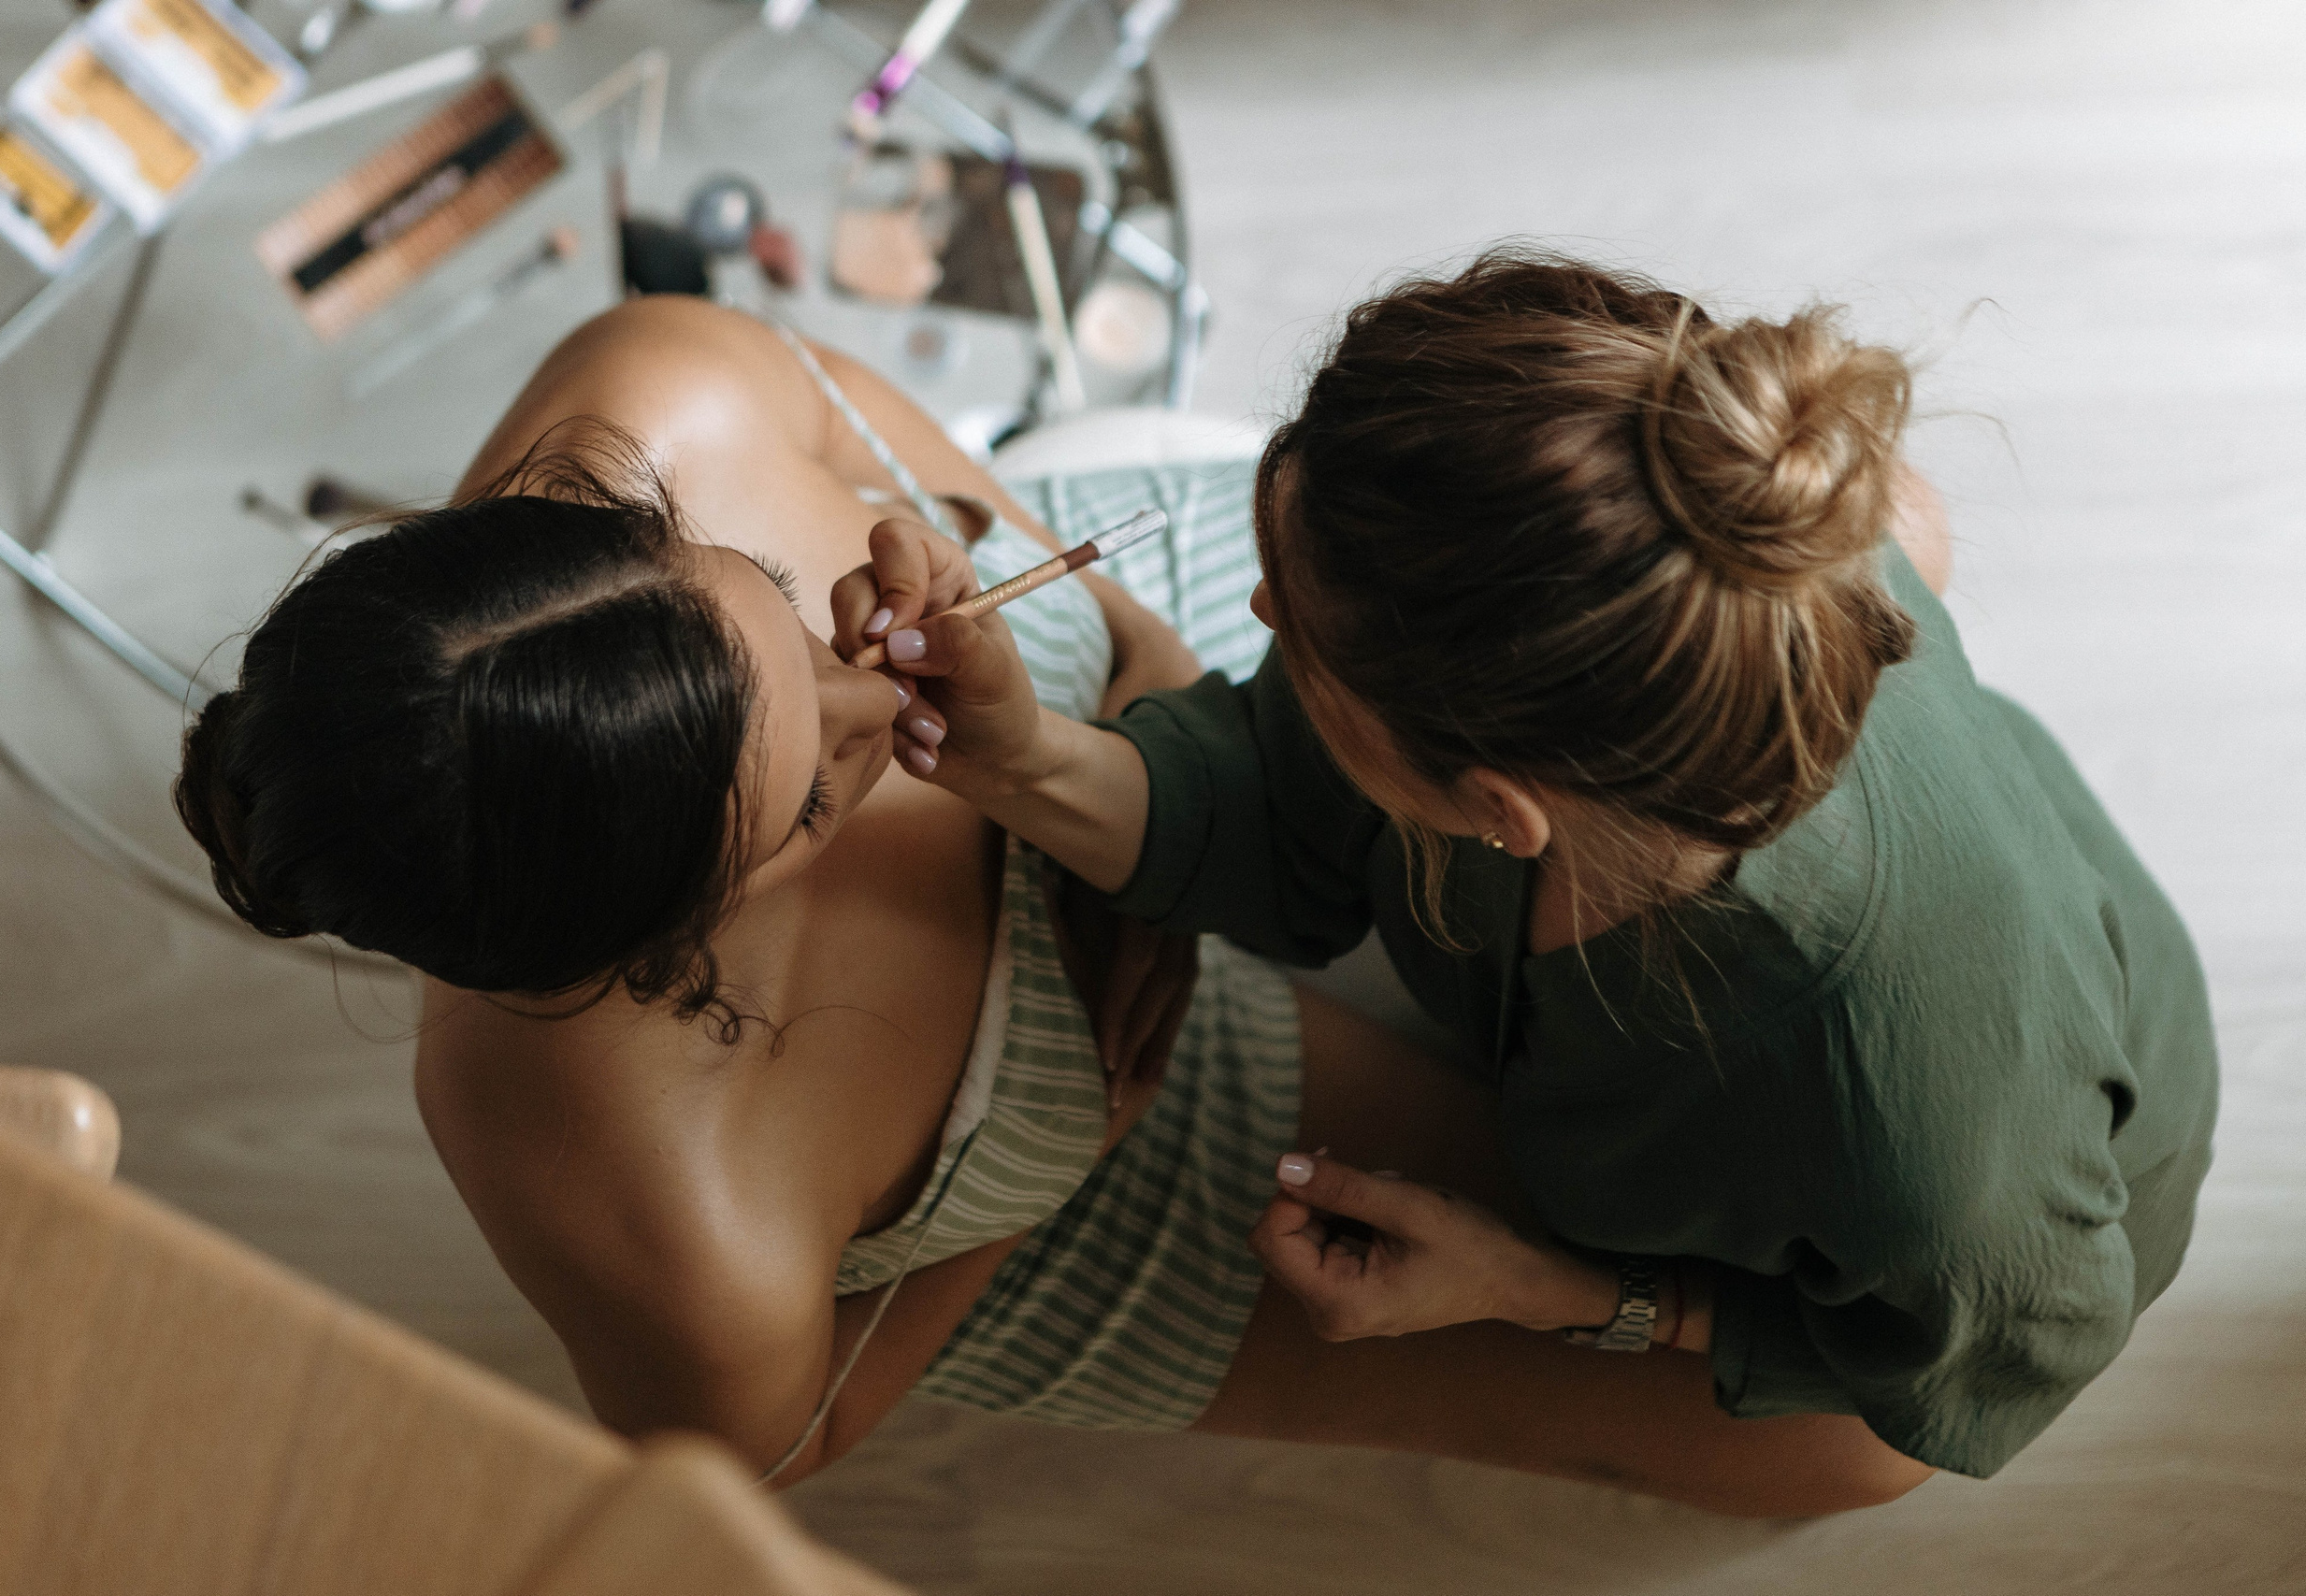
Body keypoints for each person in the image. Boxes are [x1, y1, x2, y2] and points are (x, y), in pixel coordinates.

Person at [172, 296, 1929, 1517]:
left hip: (1130, 670)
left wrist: (1106, 651)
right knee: (1844, 1447)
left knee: (1730, 630)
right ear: (654, 951)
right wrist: (1098, 1109)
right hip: (1090, 1114)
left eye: (790, 615)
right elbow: (766, 1452)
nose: (895, 714)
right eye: (811, 797)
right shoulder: (665, 1210)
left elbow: (886, 442)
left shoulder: (653, 389)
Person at [844, 251, 2220, 1485]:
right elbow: (1274, 800)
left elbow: (2009, 1351)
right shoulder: (1631, 632)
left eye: (1297, 630)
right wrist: (1013, 751)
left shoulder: (1909, 1133)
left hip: (1992, 1247)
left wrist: (1574, 1295)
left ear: (1494, 807)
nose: (1254, 610)